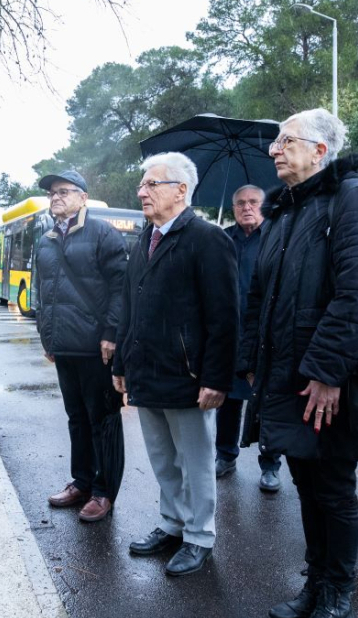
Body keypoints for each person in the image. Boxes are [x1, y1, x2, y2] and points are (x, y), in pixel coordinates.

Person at [237, 109, 358, 618]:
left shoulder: (351, 196)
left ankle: (337, 591)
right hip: (286, 377)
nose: (274, 150)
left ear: (321, 151)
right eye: (276, 142)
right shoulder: (285, 211)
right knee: (306, 486)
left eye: (287, 140)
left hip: (329, 383)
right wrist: (250, 361)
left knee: (332, 489)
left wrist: (328, 372)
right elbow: (260, 295)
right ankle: (314, 583)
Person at [113, 152, 238, 577]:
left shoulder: (208, 238)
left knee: (196, 462)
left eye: (151, 184)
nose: (141, 191)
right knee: (163, 460)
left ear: (180, 190)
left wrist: (216, 377)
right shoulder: (144, 239)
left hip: (189, 377)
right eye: (143, 184)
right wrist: (121, 366)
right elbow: (130, 306)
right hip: (147, 372)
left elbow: (225, 316)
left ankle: (200, 536)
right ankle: (172, 523)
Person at [35, 170, 128, 523]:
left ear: (83, 197)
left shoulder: (103, 233)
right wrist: (48, 336)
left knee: (102, 419)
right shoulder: (45, 239)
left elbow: (121, 288)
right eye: (52, 193)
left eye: (63, 191)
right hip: (64, 347)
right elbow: (43, 291)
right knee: (76, 418)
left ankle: (104, 491)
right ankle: (83, 481)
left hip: (95, 347)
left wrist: (111, 333)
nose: (55, 197)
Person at [216, 185, 284, 492]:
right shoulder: (222, 239)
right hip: (230, 333)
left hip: (264, 333)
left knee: (266, 402)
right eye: (240, 203)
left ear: (263, 205)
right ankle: (225, 455)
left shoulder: (276, 236)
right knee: (227, 401)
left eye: (253, 202)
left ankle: (270, 464)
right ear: (233, 208)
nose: (247, 207)